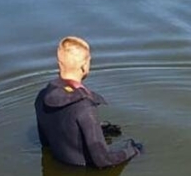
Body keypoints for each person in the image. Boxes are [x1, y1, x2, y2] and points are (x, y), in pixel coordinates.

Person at [35, 36, 141, 168]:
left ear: (59, 63)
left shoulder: (41, 97)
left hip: (61, 165)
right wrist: (132, 150)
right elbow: (103, 160)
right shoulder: (85, 107)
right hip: (83, 172)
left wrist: (97, 128)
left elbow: (46, 143)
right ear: (84, 66)